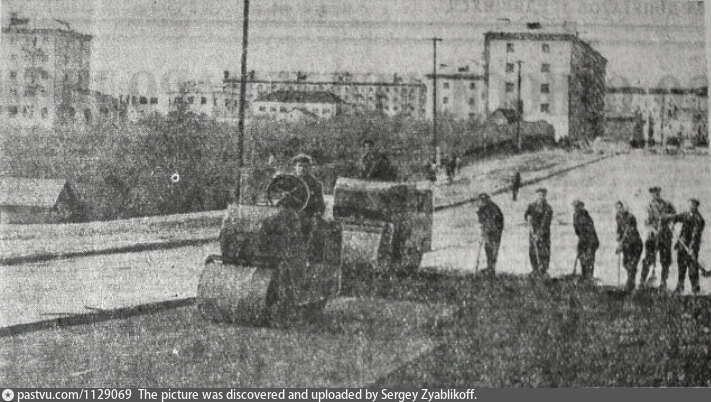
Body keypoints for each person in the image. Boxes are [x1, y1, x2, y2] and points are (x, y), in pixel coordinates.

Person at [640, 186, 676, 289]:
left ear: (659, 192)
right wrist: (653, 229)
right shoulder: (649, 206)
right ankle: (642, 281)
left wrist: (671, 223)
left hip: (665, 236)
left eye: (656, 192)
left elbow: (674, 216)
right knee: (648, 259)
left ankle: (663, 282)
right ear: (651, 194)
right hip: (653, 236)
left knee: (665, 260)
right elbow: (646, 222)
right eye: (653, 192)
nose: (655, 194)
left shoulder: (667, 205)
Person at [671, 198, 705, 294]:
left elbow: (695, 235)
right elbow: (676, 217)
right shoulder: (686, 214)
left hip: (692, 247)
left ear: (696, 206)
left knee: (692, 269)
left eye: (692, 204)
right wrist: (672, 223)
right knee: (681, 267)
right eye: (689, 204)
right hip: (682, 245)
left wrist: (692, 248)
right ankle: (680, 287)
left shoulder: (699, 219)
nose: (690, 206)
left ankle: (695, 289)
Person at [615, 201, 644, 292]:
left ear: (624, 208)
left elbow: (628, 231)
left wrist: (621, 244)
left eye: (620, 207)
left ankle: (630, 285)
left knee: (632, 264)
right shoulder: (618, 217)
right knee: (625, 263)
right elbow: (619, 230)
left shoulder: (630, 217)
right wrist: (618, 236)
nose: (619, 210)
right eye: (617, 208)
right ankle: (631, 283)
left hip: (635, 244)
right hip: (627, 244)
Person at [524, 188, 553, 275]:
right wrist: (527, 217)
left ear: (545, 196)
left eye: (543, 195)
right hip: (533, 231)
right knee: (533, 250)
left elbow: (545, 222)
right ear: (536, 195)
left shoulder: (548, 208)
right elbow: (526, 214)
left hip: (544, 233)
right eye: (539, 195)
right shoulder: (531, 206)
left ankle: (543, 270)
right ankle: (535, 269)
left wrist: (539, 234)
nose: (541, 197)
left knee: (544, 251)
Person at [476, 193, 504, 275]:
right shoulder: (482, 209)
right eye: (480, 200)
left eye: (482, 200)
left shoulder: (493, 208)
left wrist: (487, 230)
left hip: (495, 232)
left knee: (493, 250)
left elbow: (496, 221)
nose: (480, 202)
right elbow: (481, 221)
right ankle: (489, 267)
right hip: (488, 232)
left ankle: (491, 269)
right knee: (488, 249)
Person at [572, 200, 599, 280]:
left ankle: (589, 278)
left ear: (581, 207)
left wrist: (587, 244)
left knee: (589, 260)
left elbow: (590, 231)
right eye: (574, 207)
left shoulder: (585, 216)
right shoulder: (575, 216)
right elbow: (577, 231)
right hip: (583, 240)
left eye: (577, 206)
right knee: (582, 259)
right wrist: (580, 242)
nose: (575, 208)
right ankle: (585, 277)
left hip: (591, 241)